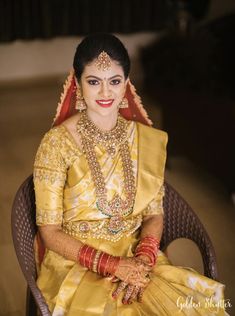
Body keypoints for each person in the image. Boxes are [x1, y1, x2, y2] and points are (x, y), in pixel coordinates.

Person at [33, 33, 227, 315]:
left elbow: (153, 214)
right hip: (75, 262)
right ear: (77, 83)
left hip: (137, 256)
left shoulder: (144, 140)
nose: (105, 92)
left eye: (114, 81)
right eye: (93, 81)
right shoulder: (56, 144)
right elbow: (49, 232)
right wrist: (113, 266)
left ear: (126, 84)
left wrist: (144, 259)